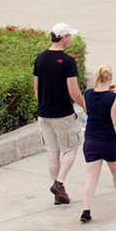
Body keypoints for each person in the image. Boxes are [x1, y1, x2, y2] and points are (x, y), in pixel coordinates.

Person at [76, 64, 116, 223]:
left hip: (91, 141)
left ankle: (86, 211)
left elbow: (88, 112)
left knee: (91, 177)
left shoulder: (87, 94)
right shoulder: (113, 98)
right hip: (109, 142)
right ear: (110, 79)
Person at [34, 23, 86, 204]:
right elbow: (73, 90)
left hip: (44, 114)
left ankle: (58, 195)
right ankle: (59, 182)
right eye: (69, 37)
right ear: (64, 38)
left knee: (52, 151)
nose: (70, 40)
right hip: (63, 114)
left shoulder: (39, 59)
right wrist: (85, 104)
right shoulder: (68, 62)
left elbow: (36, 87)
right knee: (71, 148)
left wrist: (42, 105)